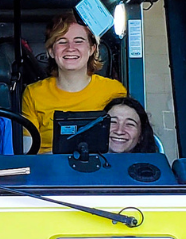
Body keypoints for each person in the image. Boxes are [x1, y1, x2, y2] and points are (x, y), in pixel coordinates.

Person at [21, 11, 129, 154]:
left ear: (92, 49)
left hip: (101, 169)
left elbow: (123, 142)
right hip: (49, 170)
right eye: (62, 41)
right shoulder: (33, 93)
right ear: (51, 51)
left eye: (79, 41)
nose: (70, 48)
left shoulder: (114, 90)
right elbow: (27, 151)